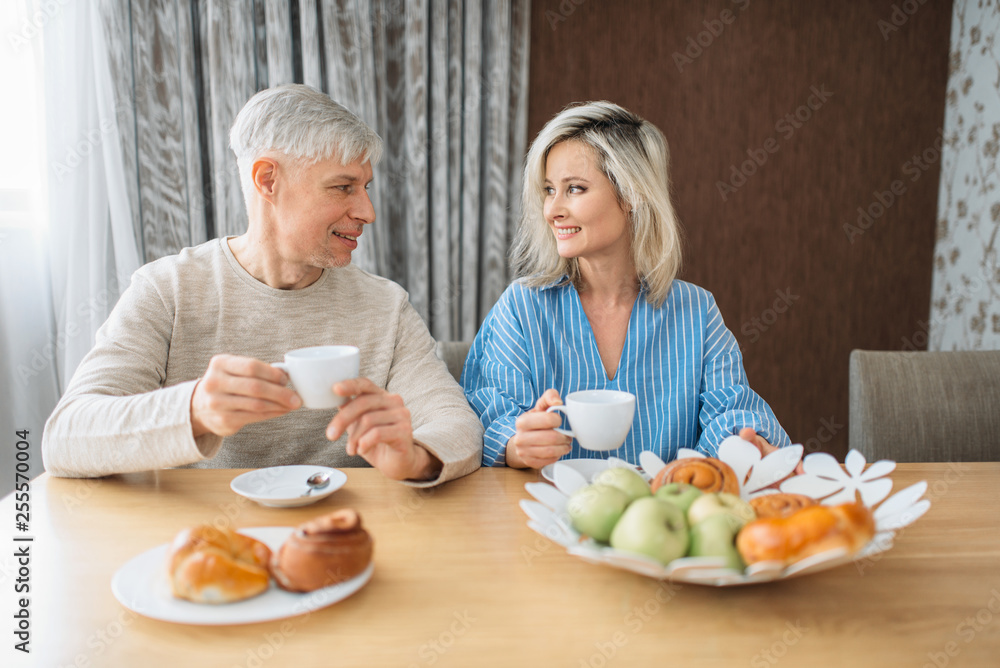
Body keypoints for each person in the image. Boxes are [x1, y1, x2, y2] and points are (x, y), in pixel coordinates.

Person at [42, 84, 482, 486]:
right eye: (343, 187)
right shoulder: (168, 290)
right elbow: (65, 438)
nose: (367, 211)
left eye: (365, 186)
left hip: (340, 534)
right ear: (267, 180)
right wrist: (194, 410)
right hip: (208, 546)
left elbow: (456, 424)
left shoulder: (385, 305)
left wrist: (416, 458)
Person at [462, 101, 793, 470]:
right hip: (544, 516)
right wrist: (516, 444)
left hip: (665, 519)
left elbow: (731, 411)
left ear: (633, 193)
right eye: (548, 189)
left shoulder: (697, 311)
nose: (552, 209)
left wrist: (747, 442)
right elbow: (489, 419)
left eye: (574, 189)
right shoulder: (520, 307)